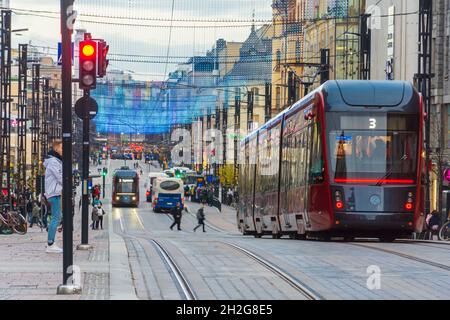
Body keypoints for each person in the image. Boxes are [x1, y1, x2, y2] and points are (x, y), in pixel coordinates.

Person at [43, 140, 63, 253]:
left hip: (55, 192)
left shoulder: (56, 161)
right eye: (61, 148)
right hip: (53, 193)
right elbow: (60, 177)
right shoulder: (53, 162)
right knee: (55, 218)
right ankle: (50, 243)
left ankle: (51, 241)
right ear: (56, 149)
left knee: (58, 217)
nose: (63, 150)